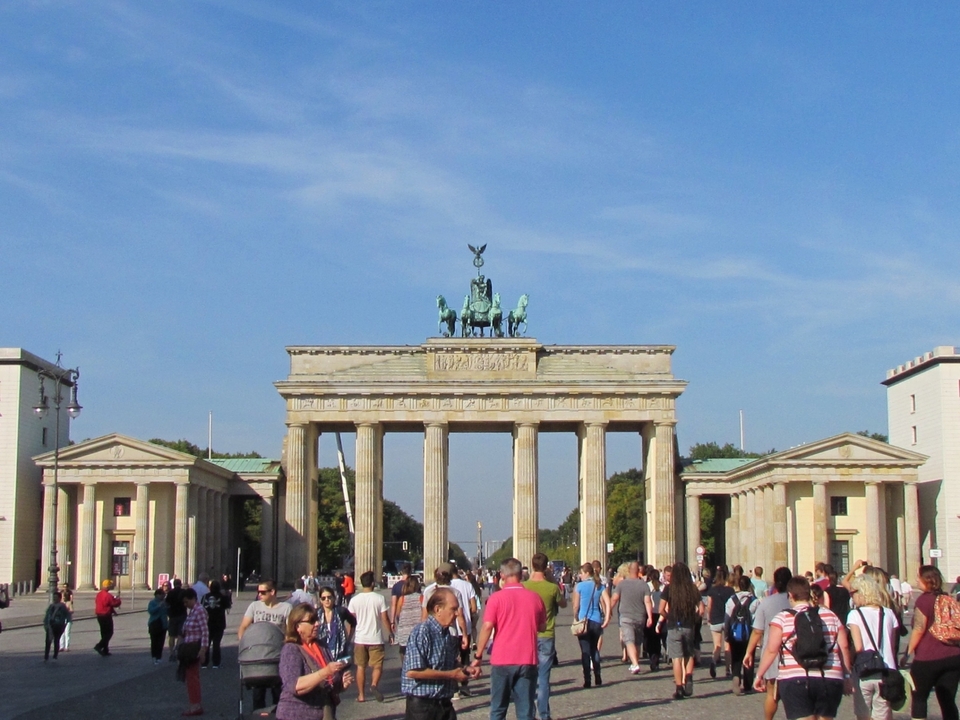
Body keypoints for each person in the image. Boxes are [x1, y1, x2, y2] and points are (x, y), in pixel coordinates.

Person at [753, 576, 852, 720]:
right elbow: (844, 646)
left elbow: (772, 649)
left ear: (791, 595)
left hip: (795, 678)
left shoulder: (782, 618)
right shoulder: (831, 616)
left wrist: (759, 675)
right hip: (830, 678)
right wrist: (847, 676)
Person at [471, 558, 546, 720]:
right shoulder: (535, 598)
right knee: (525, 711)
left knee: (498, 709)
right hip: (527, 658)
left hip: (502, 659)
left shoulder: (496, 599)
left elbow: (487, 627)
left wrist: (478, 656)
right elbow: (542, 627)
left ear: (502, 575)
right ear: (521, 574)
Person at [402, 587, 481, 720]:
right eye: (453, 609)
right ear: (438, 609)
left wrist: (466, 669)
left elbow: (447, 662)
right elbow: (413, 671)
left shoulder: (446, 634)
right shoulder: (422, 632)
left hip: (444, 703)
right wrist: (452, 675)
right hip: (423, 707)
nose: (457, 613)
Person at [277, 603, 354, 720]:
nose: (317, 624)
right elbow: (295, 686)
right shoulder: (291, 649)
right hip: (296, 714)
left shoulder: (322, 646)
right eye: (312, 621)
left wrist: (341, 684)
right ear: (298, 626)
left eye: (317, 619)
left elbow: (328, 683)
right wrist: (325, 672)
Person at [905, 565, 960, 720]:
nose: (917, 580)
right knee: (948, 700)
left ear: (926, 580)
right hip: (953, 655)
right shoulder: (946, 597)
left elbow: (919, 629)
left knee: (920, 697)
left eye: (919, 577)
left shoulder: (923, 600)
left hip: (928, 658)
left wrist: (908, 653)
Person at [846, 573, 899, 720]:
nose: (852, 597)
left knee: (863, 715)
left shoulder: (855, 615)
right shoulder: (889, 613)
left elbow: (858, 647)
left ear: (861, 592)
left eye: (853, 593)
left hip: (864, 670)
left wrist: (849, 661)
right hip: (887, 670)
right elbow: (892, 645)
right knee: (883, 715)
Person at [743, 566, 793, 720]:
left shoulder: (766, 603)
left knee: (772, 693)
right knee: (794, 694)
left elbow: (757, 631)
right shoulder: (795, 602)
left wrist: (749, 652)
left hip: (772, 652)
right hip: (793, 651)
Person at [523, 552, 567, 720]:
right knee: (544, 678)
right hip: (547, 634)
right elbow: (563, 604)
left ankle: (529, 713)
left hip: (528, 635)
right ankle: (544, 714)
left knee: (527, 677)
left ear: (532, 565)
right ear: (547, 566)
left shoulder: (524, 586)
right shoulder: (552, 588)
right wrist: (553, 581)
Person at [239, 580, 292, 710]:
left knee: (278, 691)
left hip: (277, 654)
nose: (259, 595)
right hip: (257, 654)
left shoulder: (286, 608)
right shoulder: (254, 606)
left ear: (272, 592)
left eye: (262, 592)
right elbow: (244, 627)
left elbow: (291, 630)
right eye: (258, 592)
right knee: (258, 692)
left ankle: (279, 715)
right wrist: (244, 644)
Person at [657, 561, 704, 699]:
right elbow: (701, 609)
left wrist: (668, 617)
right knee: (688, 654)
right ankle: (688, 677)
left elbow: (660, 609)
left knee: (676, 657)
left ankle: (678, 687)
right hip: (689, 624)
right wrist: (695, 618)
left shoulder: (668, 589)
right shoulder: (692, 589)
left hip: (673, 625)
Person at [348, 570, 392, 702]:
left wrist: (349, 636)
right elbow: (384, 618)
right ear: (373, 583)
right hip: (376, 638)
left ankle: (361, 695)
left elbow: (352, 620)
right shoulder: (379, 598)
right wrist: (390, 632)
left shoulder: (354, 600)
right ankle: (373, 685)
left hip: (360, 638)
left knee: (360, 667)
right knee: (377, 666)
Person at [610, 561, 653, 676]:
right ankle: (635, 662)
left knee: (629, 640)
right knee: (638, 642)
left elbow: (614, 599)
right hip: (640, 616)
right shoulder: (644, 585)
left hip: (625, 617)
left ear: (629, 571)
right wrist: (650, 616)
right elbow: (648, 601)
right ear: (638, 571)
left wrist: (608, 611)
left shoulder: (622, 584)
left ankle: (634, 663)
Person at [572, 561, 610, 689]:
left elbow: (576, 605)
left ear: (587, 573)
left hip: (584, 621)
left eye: (581, 573)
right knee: (594, 649)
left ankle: (587, 679)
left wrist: (575, 616)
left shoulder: (579, 586)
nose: (580, 575)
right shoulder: (599, 585)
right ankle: (598, 675)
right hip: (596, 620)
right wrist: (607, 617)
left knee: (585, 651)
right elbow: (607, 602)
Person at [725, 575, 759, 695]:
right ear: (749, 585)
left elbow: (727, 618)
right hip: (749, 633)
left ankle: (736, 676)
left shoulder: (732, 600)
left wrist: (727, 633)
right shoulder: (754, 601)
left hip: (735, 633)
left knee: (736, 656)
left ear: (739, 585)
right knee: (749, 656)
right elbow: (757, 620)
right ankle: (748, 684)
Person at [179, 588, 209, 717]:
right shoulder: (192, 611)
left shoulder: (199, 611)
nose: (185, 605)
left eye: (186, 602)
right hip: (188, 647)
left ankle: (196, 705)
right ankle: (194, 703)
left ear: (193, 599)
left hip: (194, 648)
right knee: (190, 677)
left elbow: (205, 631)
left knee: (193, 678)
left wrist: (203, 650)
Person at [705, 565, 735, 678]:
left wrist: (708, 618)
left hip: (715, 619)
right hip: (727, 619)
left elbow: (709, 606)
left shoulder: (712, 590)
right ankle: (728, 669)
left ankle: (713, 661)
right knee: (727, 646)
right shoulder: (730, 590)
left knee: (717, 645)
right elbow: (733, 606)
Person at [317, 586, 357, 663]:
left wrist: (348, 639)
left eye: (329, 597)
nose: (327, 600)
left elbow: (353, 622)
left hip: (340, 650)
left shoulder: (341, 611)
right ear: (320, 600)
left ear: (334, 598)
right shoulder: (316, 613)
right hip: (322, 650)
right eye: (323, 598)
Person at [202, 579, 231, 668]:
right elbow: (228, 607)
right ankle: (216, 663)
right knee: (216, 643)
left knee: (206, 643)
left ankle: (204, 662)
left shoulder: (205, 596)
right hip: (219, 622)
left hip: (207, 623)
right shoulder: (222, 597)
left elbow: (201, 606)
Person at [395, 576, 424, 658]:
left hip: (404, 633)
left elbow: (398, 615)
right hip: (417, 633)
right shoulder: (421, 598)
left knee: (404, 656)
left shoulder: (402, 599)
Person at [643, 565, 664, 671]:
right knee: (657, 638)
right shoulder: (663, 587)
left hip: (649, 614)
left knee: (649, 638)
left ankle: (652, 657)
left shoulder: (647, 586)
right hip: (661, 615)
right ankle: (656, 658)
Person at [94, 579, 122, 656]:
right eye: (110, 585)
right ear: (108, 586)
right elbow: (114, 603)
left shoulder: (99, 594)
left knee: (103, 633)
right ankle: (99, 646)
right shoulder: (108, 595)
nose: (112, 586)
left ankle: (105, 650)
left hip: (99, 615)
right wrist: (118, 600)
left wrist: (113, 611)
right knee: (109, 633)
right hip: (106, 615)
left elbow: (106, 605)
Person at [43, 592, 71, 661]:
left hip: (58, 625)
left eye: (56, 597)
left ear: (59, 598)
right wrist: (45, 624)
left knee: (56, 641)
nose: (55, 599)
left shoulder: (62, 606)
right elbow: (47, 615)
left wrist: (65, 623)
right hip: (50, 625)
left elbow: (68, 615)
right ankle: (46, 657)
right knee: (48, 641)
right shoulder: (51, 606)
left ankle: (55, 656)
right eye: (54, 597)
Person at [166, 578, 187, 660]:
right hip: (182, 615)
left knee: (171, 636)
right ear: (180, 584)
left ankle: (171, 652)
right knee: (180, 635)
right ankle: (178, 650)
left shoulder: (170, 593)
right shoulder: (183, 592)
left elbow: (167, 604)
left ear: (173, 584)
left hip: (172, 616)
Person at [148, 588, 170, 664]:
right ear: (157, 595)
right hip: (154, 623)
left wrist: (168, 607)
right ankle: (154, 656)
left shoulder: (164, 602)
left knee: (161, 641)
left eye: (164, 595)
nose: (163, 596)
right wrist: (159, 606)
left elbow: (167, 612)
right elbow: (151, 611)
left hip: (163, 624)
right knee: (154, 641)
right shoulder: (152, 602)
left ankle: (159, 656)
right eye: (162, 595)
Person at [59, 583, 74, 652]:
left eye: (63, 597)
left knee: (67, 633)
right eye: (62, 597)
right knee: (61, 633)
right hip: (61, 620)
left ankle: (66, 646)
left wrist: (67, 611)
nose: (63, 598)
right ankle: (61, 646)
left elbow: (72, 611)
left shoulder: (69, 603)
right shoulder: (60, 604)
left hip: (68, 619)